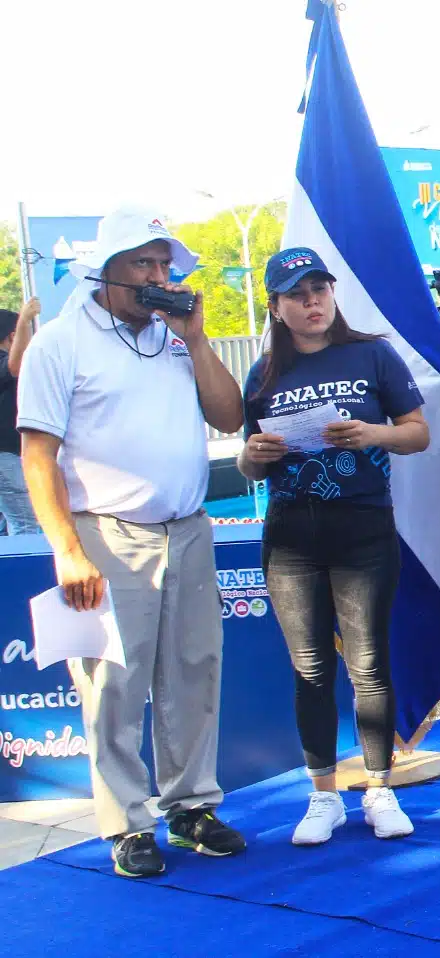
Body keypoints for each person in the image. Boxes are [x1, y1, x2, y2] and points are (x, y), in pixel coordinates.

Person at [16, 206, 248, 877]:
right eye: (143, 264)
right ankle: (127, 823)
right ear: (106, 272)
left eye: (164, 266)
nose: (157, 277)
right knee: (113, 683)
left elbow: (229, 414)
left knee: (195, 669)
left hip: (188, 528)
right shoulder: (60, 344)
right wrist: (67, 549)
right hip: (107, 533)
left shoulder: (175, 339)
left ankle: (191, 805)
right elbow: (37, 455)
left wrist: (197, 341)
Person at [236, 247, 430, 845]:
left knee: (368, 663)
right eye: (297, 294)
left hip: (362, 526)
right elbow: (249, 462)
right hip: (291, 535)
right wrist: (252, 456)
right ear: (276, 307)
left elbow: (418, 433)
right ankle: (323, 794)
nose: (312, 302)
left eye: (319, 290)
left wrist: (371, 433)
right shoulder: (263, 373)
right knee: (311, 667)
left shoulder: (372, 354)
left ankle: (379, 788)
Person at [0, 299, 42, 534]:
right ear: (12, 335)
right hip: (4, 456)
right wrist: (25, 320)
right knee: (26, 525)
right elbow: (14, 366)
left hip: (10, 456)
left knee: (13, 525)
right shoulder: (4, 362)